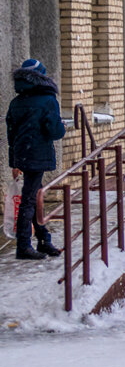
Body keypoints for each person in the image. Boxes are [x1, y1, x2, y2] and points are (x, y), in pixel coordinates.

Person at [6, 59, 66, 260]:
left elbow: (11, 134)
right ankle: (24, 245)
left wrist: (14, 161)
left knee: (35, 196)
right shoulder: (48, 101)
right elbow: (54, 131)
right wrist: (61, 126)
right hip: (37, 154)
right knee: (30, 199)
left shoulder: (16, 103)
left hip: (23, 154)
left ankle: (43, 240)